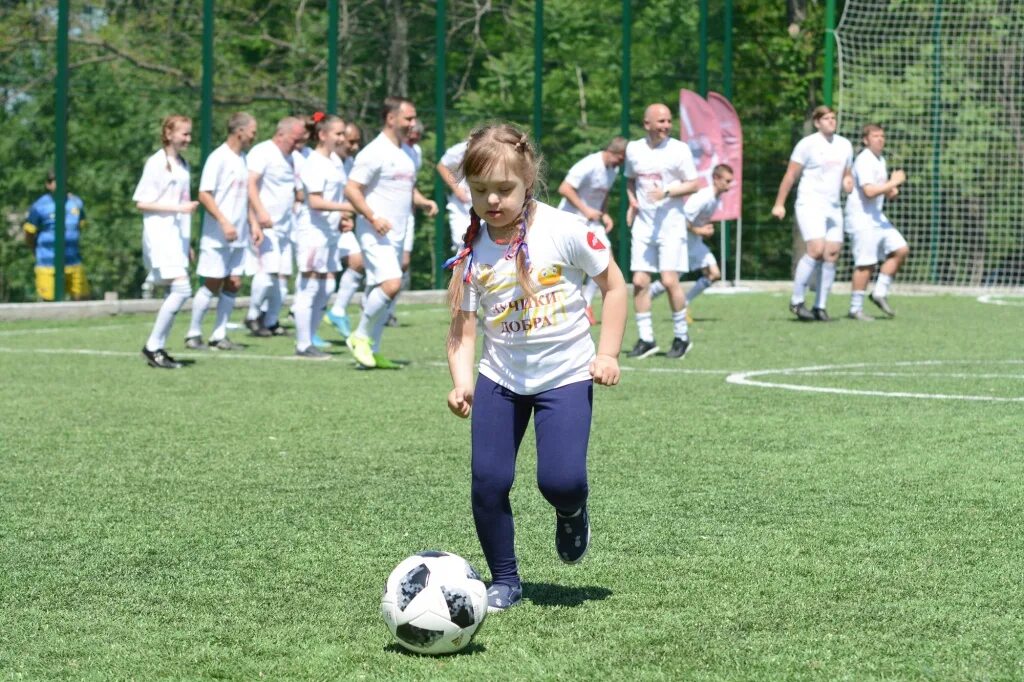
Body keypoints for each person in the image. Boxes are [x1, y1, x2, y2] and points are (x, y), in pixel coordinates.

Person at [444, 123, 627, 612]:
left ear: (528, 181)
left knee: (560, 481)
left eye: (504, 189)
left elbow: (615, 286)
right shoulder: (471, 250)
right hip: (500, 380)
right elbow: (462, 328)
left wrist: (606, 353)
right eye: (480, 191)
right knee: (488, 482)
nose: (493, 201)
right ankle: (504, 578)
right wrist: (462, 382)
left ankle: (572, 511)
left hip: (565, 375)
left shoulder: (565, 229)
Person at [343, 96, 437, 368]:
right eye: (408, 118)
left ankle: (371, 350)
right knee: (392, 283)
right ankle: (359, 336)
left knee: (384, 289)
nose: (413, 123)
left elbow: (407, 188)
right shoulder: (373, 152)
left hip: (397, 231)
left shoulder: (408, 153)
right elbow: (351, 189)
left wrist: (423, 201)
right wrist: (372, 217)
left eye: (414, 118)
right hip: (375, 231)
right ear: (391, 118)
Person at [624, 103, 701, 359]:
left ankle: (681, 337)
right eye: (661, 121)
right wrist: (632, 202)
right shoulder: (634, 149)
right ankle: (646, 339)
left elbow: (694, 183)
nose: (666, 126)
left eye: (669, 121)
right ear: (647, 124)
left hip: (671, 224)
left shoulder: (679, 149)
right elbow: (631, 179)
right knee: (639, 282)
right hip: (644, 224)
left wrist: (666, 192)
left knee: (669, 281)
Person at [772, 105, 854, 321]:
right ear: (817, 122)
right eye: (826, 118)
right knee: (816, 249)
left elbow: (847, 173)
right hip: (810, 203)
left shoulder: (844, 145)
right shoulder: (807, 144)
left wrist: (848, 182)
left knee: (832, 253)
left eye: (833, 118)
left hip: (833, 206)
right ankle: (797, 301)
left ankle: (820, 306)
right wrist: (779, 203)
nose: (831, 121)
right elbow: (790, 175)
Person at [184, 112, 258, 351]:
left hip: (239, 236)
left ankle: (219, 335)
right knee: (213, 281)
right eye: (252, 132)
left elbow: (245, 197)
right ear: (239, 131)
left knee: (234, 282)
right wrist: (224, 222)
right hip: (217, 235)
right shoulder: (218, 157)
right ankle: (193, 333)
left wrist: (253, 224)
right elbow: (205, 194)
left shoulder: (243, 159)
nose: (253, 136)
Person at [133, 114, 199, 369]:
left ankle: (156, 347)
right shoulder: (156, 163)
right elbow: (142, 203)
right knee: (182, 289)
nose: (188, 139)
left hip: (175, 236)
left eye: (190, 134)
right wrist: (178, 209)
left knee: (177, 290)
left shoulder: (182, 164)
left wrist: (187, 243)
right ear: (169, 134)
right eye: (184, 134)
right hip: (159, 233)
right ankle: (153, 347)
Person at [294, 112, 353, 357]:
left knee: (326, 286)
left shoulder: (335, 162)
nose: (343, 138)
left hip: (329, 233)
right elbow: (315, 202)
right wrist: (347, 209)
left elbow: (335, 198)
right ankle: (302, 344)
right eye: (338, 134)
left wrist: (341, 219)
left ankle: (311, 338)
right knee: (308, 287)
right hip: (312, 234)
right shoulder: (313, 163)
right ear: (323, 135)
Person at [245, 116, 307, 336]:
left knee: (282, 275)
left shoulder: (294, 158)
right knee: (267, 271)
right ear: (281, 135)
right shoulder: (263, 152)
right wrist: (260, 212)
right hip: (266, 224)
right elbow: (250, 183)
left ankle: (271, 321)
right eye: (295, 139)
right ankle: (252, 315)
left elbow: (297, 190)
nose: (298, 144)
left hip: (286, 225)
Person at [557, 136, 627, 323]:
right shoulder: (589, 164)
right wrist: (586, 210)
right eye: (620, 158)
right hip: (570, 221)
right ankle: (562, 306)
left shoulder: (614, 169)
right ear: (612, 152)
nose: (621, 163)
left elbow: (603, 194)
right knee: (568, 267)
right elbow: (564, 188)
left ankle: (586, 305)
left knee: (606, 261)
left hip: (592, 224)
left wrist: (604, 214)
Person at [845, 124, 909, 321]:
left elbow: (881, 189)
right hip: (861, 217)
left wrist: (891, 190)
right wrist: (893, 183)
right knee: (866, 264)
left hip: (876, 216)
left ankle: (879, 292)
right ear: (866, 140)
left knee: (901, 249)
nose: (880, 139)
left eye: (882, 136)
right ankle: (855, 308)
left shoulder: (880, 160)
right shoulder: (864, 159)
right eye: (875, 136)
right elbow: (869, 191)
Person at [649, 164, 734, 305]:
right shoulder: (703, 197)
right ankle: (645, 297)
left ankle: (684, 303)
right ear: (716, 178)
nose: (729, 185)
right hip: (684, 242)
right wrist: (699, 230)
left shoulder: (716, 197)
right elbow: (682, 219)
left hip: (695, 241)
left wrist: (703, 230)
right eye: (727, 181)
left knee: (714, 274)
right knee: (670, 280)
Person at [323, 122, 366, 338]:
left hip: (340, 226)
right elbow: (304, 196)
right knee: (321, 278)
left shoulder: (349, 162)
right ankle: (304, 330)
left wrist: (348, 216)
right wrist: (340, 212)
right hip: (319, 227)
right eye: (350, 141)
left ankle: (337, 311)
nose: (354, 146)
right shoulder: (324, 161)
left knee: (358, 262)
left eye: (357, 141)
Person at [23, 170, 89, 301]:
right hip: (47, 261)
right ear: (48, 185)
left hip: (73, 260)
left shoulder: (76, 202)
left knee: (82, 299)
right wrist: (35, 250)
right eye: (55, 182)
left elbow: (80, 226)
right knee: (50, 301)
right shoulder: (39, 206)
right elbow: (29, 233)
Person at [436, 138, 472, 251]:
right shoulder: (459, 150)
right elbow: (441, 166)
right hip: (461, 204)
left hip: (481, 202)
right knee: (460, 241)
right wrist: (457, 189)